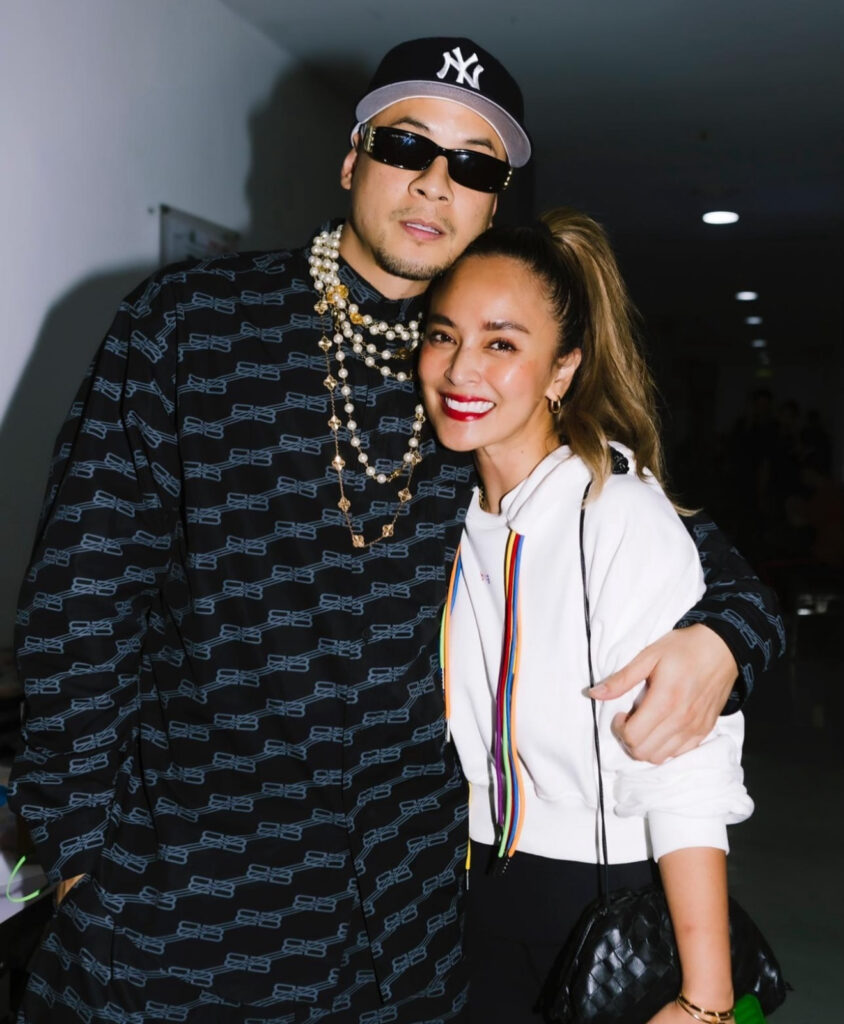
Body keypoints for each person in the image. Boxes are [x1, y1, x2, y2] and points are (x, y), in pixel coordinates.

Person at [9, 37, 780, 1024]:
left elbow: (684, 559)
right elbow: (80, 597)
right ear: (352, 160)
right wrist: (80, 857)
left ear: (494, 203)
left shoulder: (482, 383)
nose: (433, 182)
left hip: (405, 918)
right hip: (188, 890)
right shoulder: (191, 325)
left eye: (472, 166)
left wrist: (724, 640)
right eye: (406, 145)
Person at [419, 209, 755, 1023]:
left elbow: (685, 765)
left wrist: (705, 999)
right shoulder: (443, 515)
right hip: (472, 895)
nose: (461, 369)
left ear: (562, 371)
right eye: (442, 335)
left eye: (502, 343)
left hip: (601, 903)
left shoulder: (616, 513)